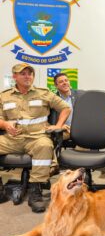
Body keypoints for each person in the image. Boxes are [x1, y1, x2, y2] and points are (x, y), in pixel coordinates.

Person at [0, 63, 71, 213]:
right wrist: (5, 124)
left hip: (37, 137)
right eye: (23, 74)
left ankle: (35, 191)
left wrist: (58, 125)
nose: (27, 76)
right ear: (15, 77)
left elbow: (66, 107)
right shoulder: (4, 96)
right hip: (13, 138)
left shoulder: (43, 93)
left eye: (30, 73)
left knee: (45, 146)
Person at [49, 72, 84, 176]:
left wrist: (77, 127)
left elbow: (87, 114)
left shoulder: (80, 95)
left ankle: (78, 168)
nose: (65, 83)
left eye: (66, 80)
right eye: (61, 82)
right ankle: (54, 166)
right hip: (64, 130)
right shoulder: (52, 99)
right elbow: (50, 118)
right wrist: (60, 126)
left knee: (85, 140)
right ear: (56, 85)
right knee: (48, 140)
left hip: (79, 129)